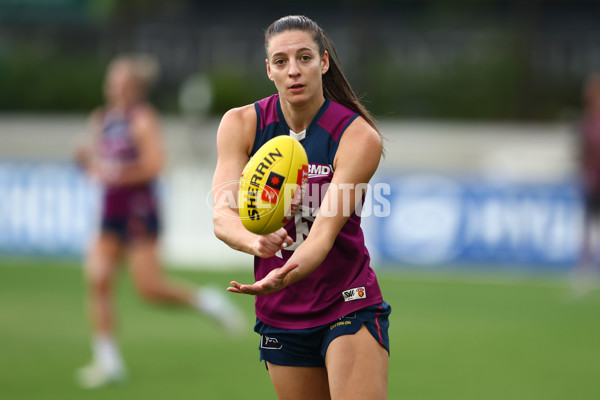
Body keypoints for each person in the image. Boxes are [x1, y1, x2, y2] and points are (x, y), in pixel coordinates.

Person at [212, 15, 391, 400]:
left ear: (323, 63)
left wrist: (284, 273)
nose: (293, 70)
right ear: (269, 70)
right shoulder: (241, 124)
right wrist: (254, 243)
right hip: (281, 312)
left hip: (346, 301)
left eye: (304, 58)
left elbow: (323, 235)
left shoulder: (358, 136)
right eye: (281, 61)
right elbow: (222, 216)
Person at [75, 54, 245, 389]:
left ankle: (208, 302)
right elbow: (98, 165)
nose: (115, 86)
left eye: (121, 80)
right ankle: (108, 362)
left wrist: (115, 173)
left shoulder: (142, 118)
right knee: (98, 280)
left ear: (134, 85)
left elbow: (155, 164)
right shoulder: (103, 118)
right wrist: (86, 162)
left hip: (139, 209)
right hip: (111, 210)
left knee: (149, 288)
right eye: (112, 79)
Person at [573, 73, 600, 295]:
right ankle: (585, 271)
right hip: (592, 182)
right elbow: (582, 153)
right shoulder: (586, 121)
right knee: (588, 228)